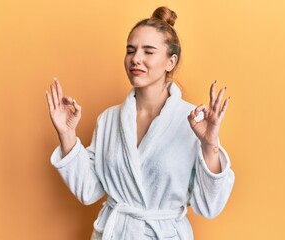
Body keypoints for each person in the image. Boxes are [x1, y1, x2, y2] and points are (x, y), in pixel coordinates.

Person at [45, 6, 235, 240]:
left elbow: (210, 206)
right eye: (131, 50)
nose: (136, 59)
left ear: (170, 61)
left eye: (149, 51)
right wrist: (66, 134)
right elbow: (88, 189)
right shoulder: (109, 120)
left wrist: (210, 145)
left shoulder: (195, 122)